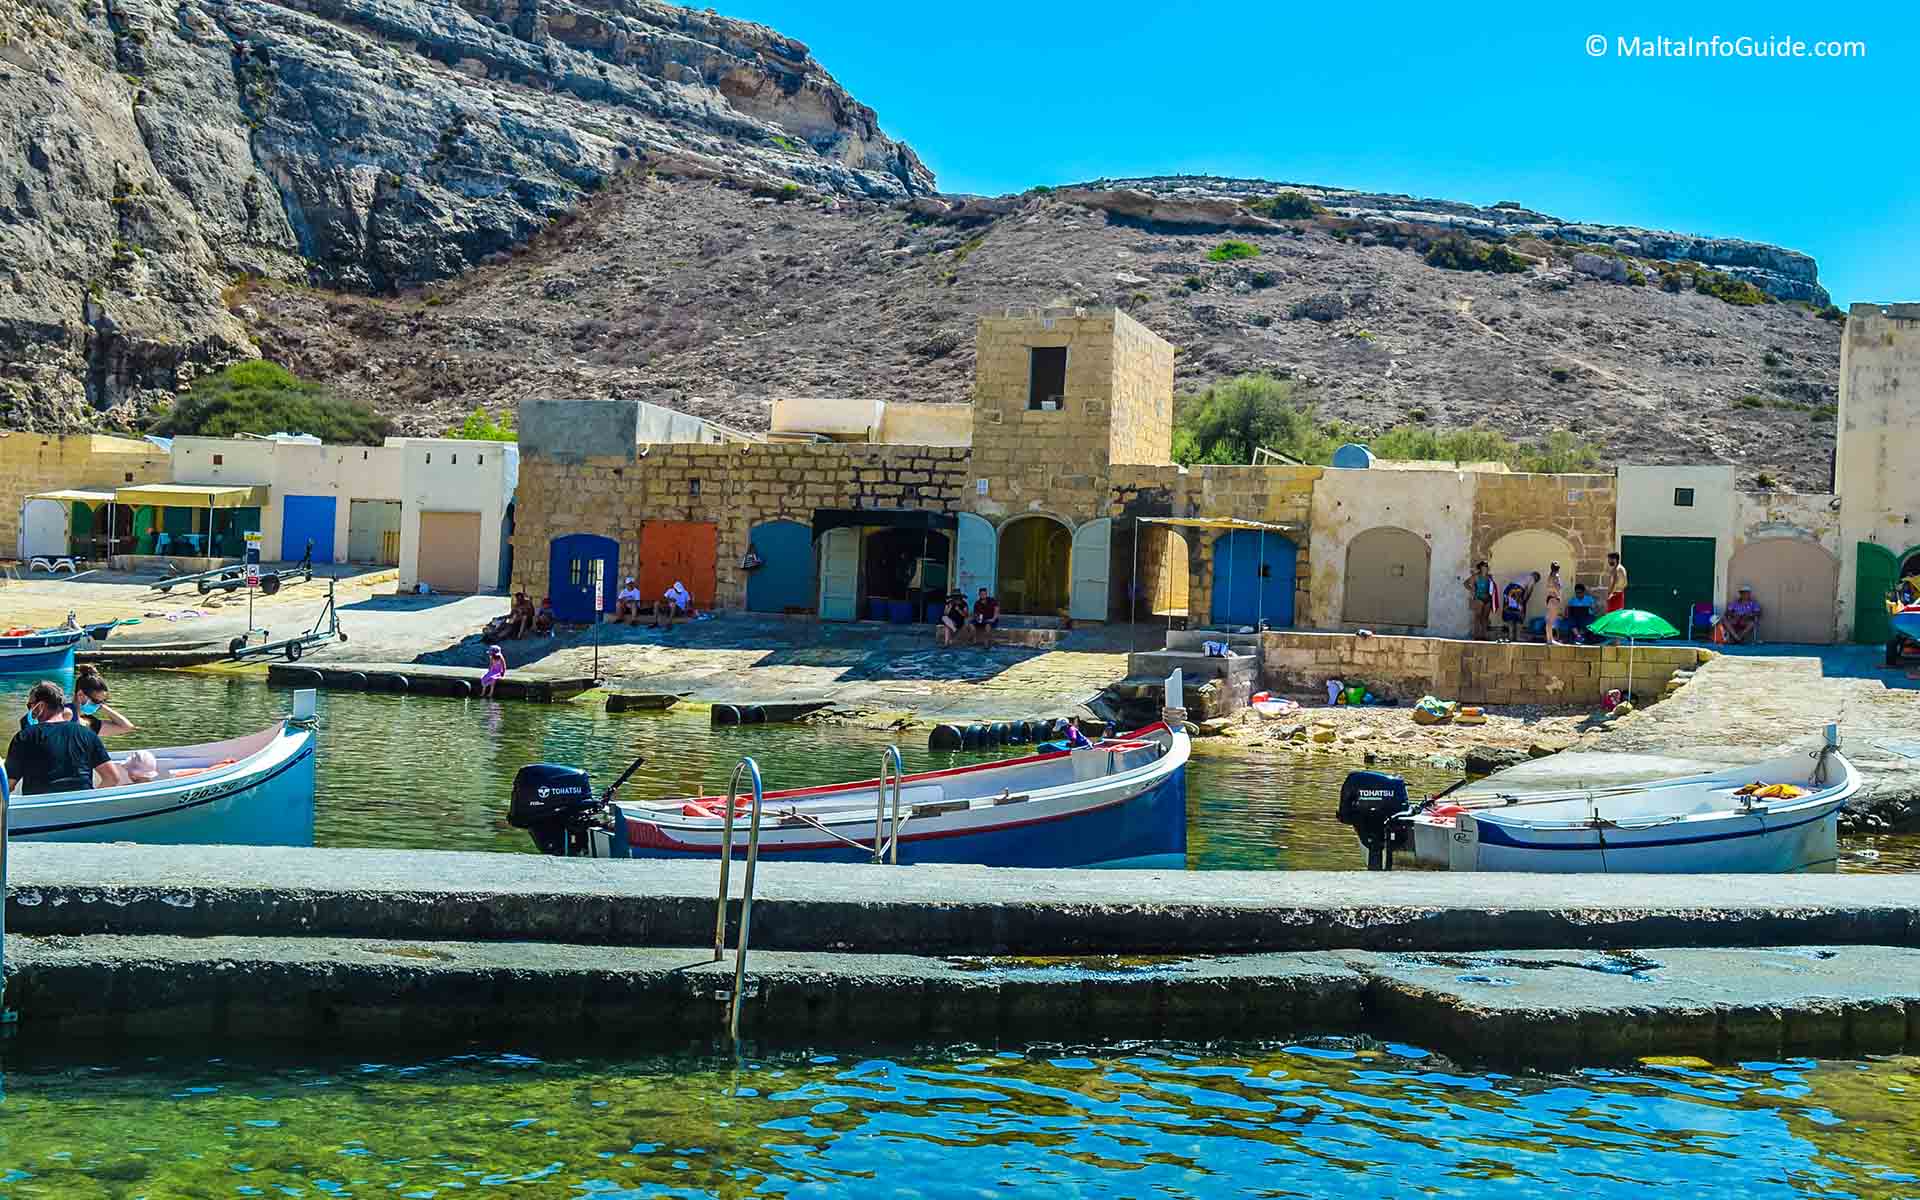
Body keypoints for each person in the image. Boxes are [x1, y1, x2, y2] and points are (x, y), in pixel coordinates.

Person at [5, 680, 127, 795]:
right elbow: (112, 778)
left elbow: (8, 785)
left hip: (38, 811)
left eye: (30, 705)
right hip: (81, 810)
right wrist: (89, 802)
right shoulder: (88, 734)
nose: (30, 710)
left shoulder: (25, 736)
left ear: (40, 706)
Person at [1501, 573, 1538, 642]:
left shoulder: (1522, 576)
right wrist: (1524, 602)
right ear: (1536, 578)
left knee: (1509, 612)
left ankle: (1510, 636)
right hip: (1517, 591)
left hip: (1508, 590)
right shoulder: (1532, 579)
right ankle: (1518, 636)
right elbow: (1528, 591)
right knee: (1519, 614)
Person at [1463, 561, 1494, 641]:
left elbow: (1492, 587)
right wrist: (1472, 589)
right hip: (1479, 598)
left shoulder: (1489, 577)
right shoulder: (1476, 577)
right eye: (1483, 567)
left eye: (1486, 567)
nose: (1485, 568)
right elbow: (1466, 583)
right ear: (1480, 568)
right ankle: (1476, 635)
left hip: (1488, 598)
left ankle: (1484, 635)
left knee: (1485, 618)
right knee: (1477, 617)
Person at [1542, 562, 1565, 646]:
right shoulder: (1556, 576)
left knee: (1549, 620)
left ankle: (1549, 639)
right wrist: (1558, 596)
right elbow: (1556, 587)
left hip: (1549, 598)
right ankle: (1550, 640)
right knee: (1551, 620)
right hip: (1554, 598)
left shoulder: (1550, 576)